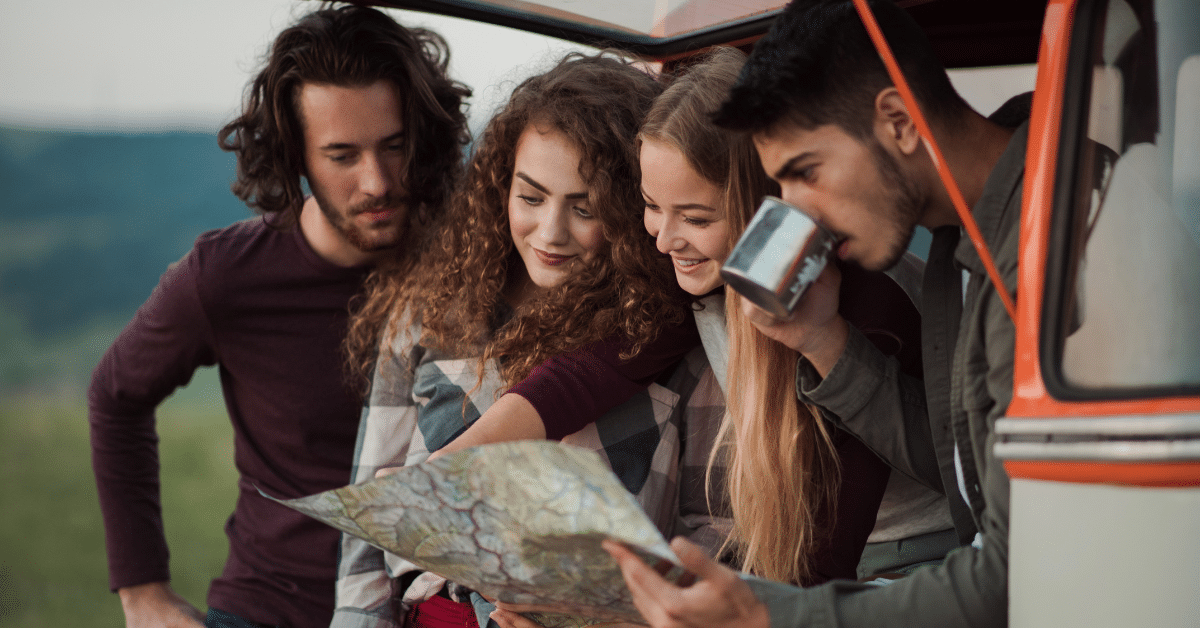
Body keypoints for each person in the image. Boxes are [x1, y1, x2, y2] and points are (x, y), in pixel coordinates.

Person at [603, 0, 1028, 626]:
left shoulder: (1043, 242)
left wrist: (768, 615)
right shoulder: (957, 245)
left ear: (898, 121)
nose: (801, 213)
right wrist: (823, 341)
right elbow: (956, 463)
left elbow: (1013, 575)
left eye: (807, 172)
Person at [87, 6, 470, 628]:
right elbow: (115, 394)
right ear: (296, 155)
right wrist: (143, 594)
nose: (376, 181)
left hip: (435, 610)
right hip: (273, 609)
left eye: (393, 146)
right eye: (342, 156)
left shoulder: (473, 258)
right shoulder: (227, 275)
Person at [337, 52, 721, 628]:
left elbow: (714, 529)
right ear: (500, 183)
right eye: (531, 197)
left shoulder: (673, 337)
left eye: (584, 207)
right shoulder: (428, 312)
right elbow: (366, 538)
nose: (550, 233)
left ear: (630, 209)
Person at [635, 46, 955, 587]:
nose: (665, 239)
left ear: (768, 207)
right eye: (650, 205)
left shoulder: (868, 302)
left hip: (906, 561)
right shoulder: (702, 267)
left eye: (694, 217)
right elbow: (601, 365)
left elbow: (827, 553)